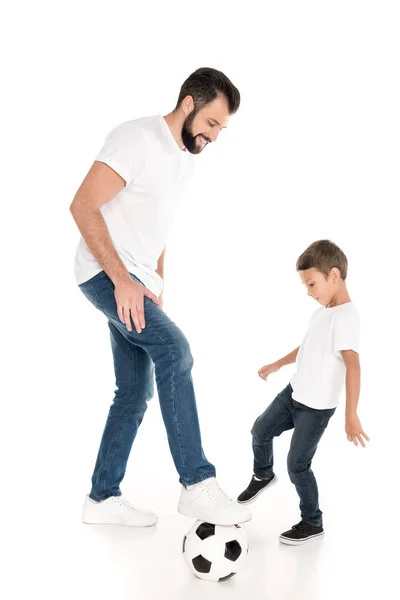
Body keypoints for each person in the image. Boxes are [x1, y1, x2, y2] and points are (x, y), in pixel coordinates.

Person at [70, 67, 251, 527]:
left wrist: (157, 284)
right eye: (212, 123)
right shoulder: (137, 139)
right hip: (104, 273)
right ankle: (196, 483)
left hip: (137, 281)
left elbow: (157, 228)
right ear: (188, 103)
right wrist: (124, 281)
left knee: (133, 391)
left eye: (221, 129)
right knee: (176, 351)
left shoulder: (183, 159)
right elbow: (82, 205)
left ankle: (101, 498)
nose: (214, 136)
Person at [237, 240, 369, 544]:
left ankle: (312, 522)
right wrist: (277, 364)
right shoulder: (322, 313)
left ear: (333, 275)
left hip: (316, 408)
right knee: (260, 430)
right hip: (292, 394)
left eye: (312, 284)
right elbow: (307, 347)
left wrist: (351, 414)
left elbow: (354, 367)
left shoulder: (347, 316)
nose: (309, 292)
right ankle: (263, 475)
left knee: (297, 465)